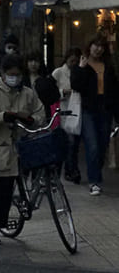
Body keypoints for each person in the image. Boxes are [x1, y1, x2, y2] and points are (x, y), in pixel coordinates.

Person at [0, 53, 45, 245]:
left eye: (17, 74)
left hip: (23, 144)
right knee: (2, 187)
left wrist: (32, 120)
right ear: (2, 73)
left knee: (22, 179)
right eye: (11, 74)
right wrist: (2, 116)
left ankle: (21, 204)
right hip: (0, 146)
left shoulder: (27, 93)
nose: (14, 78)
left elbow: (40, 112)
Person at [70, 35, 119, 195]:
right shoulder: (82, 65)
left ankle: (95, 174)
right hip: (88, 110)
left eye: (101, 46)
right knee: (92, 145)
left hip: (105, 109)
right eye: (95, 45)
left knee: (103, 145)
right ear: (89, 47)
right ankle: (94, 181)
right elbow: (76, 85)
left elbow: (114, 90)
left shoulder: (108, 66)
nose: (98, 49)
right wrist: (82, 68)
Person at [52, 47, 82, 183]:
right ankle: (66, 169)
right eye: (71, 60)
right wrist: (63, 92)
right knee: (66, 142)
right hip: (62, 110)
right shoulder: (58, 73)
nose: (73, 63)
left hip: (76, 110)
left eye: (76, 61)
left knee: (73, 144)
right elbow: (51, 91)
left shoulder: (79, 73)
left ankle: (71, 169)